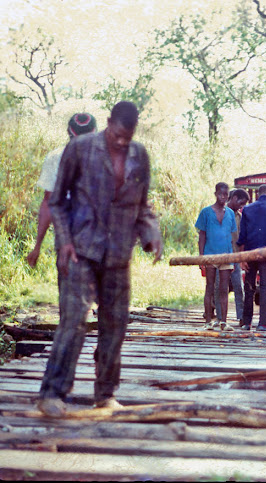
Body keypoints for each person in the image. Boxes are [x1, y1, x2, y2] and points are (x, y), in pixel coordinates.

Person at [37, 101, 163, 418]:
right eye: (117, 134)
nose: (121, 142)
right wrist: (63, 242)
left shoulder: (140, 156)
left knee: (116, 323)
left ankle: (105, 393)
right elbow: (58, 203)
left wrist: (151, 232)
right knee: (74, 319)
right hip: (80, 248)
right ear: (108, 124)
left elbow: (143, 206)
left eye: (127, 136)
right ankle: (52, 393)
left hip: (118, 253)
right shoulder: (80, 149)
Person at [27, 113, 98, 267]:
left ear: (68, 132)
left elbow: (49, 203)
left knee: (69, 285)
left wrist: (37, 246)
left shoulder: (55, 157)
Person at [196, 182, 237, 331]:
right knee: (210, 287)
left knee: (224, 288)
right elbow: (202, 236)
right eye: (220, 194)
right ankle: (208, 321)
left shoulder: (230, 214)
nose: (223, 197)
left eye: (226, 194)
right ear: (215, 194)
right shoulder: (206, 212)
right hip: (209, 255)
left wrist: (232, 257)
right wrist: (201, 258)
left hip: (226, 255)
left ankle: (224, 322)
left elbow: (231, 237)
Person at [237, 184, 266, 331]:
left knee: (249, 287)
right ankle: (264, 323)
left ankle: (247, 322)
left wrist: (242, 258)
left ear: (258, 194)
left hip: (250, 253)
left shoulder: (247, 209)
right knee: (265, 287)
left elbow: (242, 236)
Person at [225, 188, 249, 324]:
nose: (242, 206)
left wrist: (241, 258)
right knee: (219, 288)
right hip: (220, 257)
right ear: (234, 198)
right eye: (241, 203)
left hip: (235, 258)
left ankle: (241, 317)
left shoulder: (239, 217)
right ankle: (218, 317)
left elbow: (241, 239)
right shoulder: (218, 213)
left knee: (238, 288)